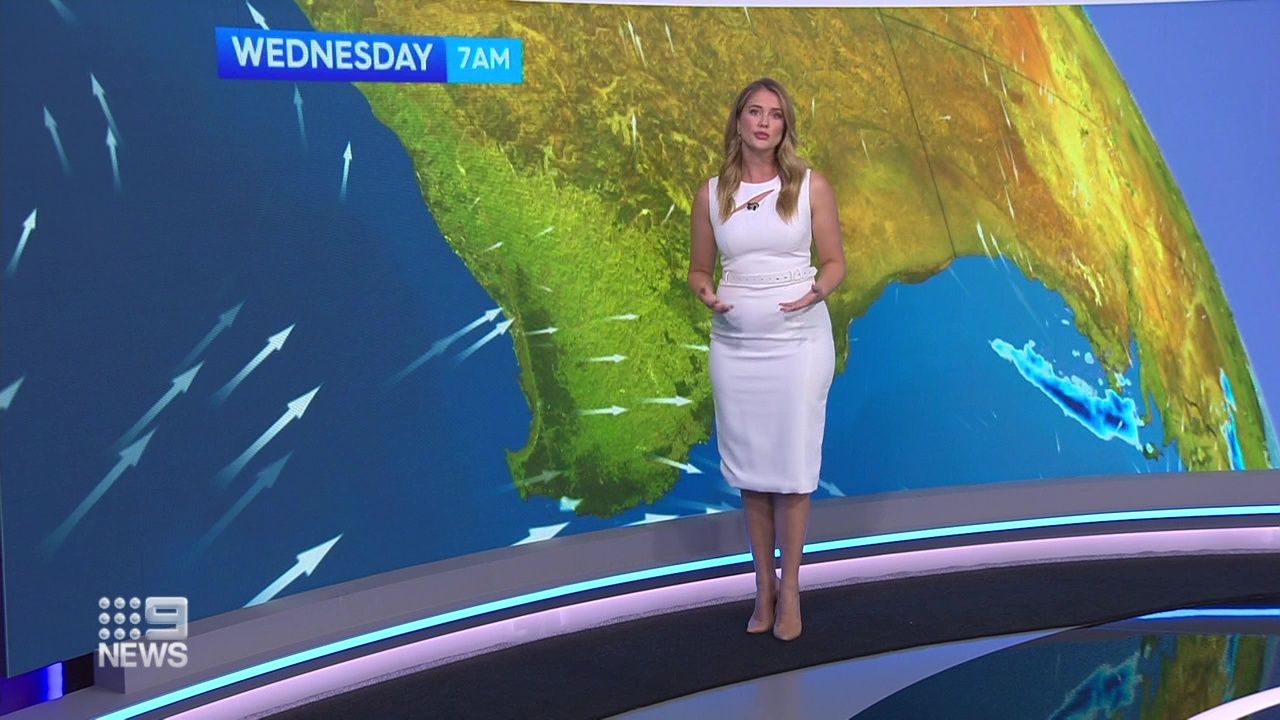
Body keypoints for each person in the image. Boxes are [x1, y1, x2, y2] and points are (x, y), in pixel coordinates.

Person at [687, 78, 845, 641]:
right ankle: (764, 589)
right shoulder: (711, 194)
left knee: (793, 471)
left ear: (784, 126)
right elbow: (699, 269)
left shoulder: (809, 186)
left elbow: (834, 262)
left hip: (798, 343)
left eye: (774, 115)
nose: (763, 123)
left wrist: (817, 292)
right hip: (736, 347)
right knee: (753, 474)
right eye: (754, 112)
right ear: (738, 121)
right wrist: (705, 293)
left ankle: (792, 591)